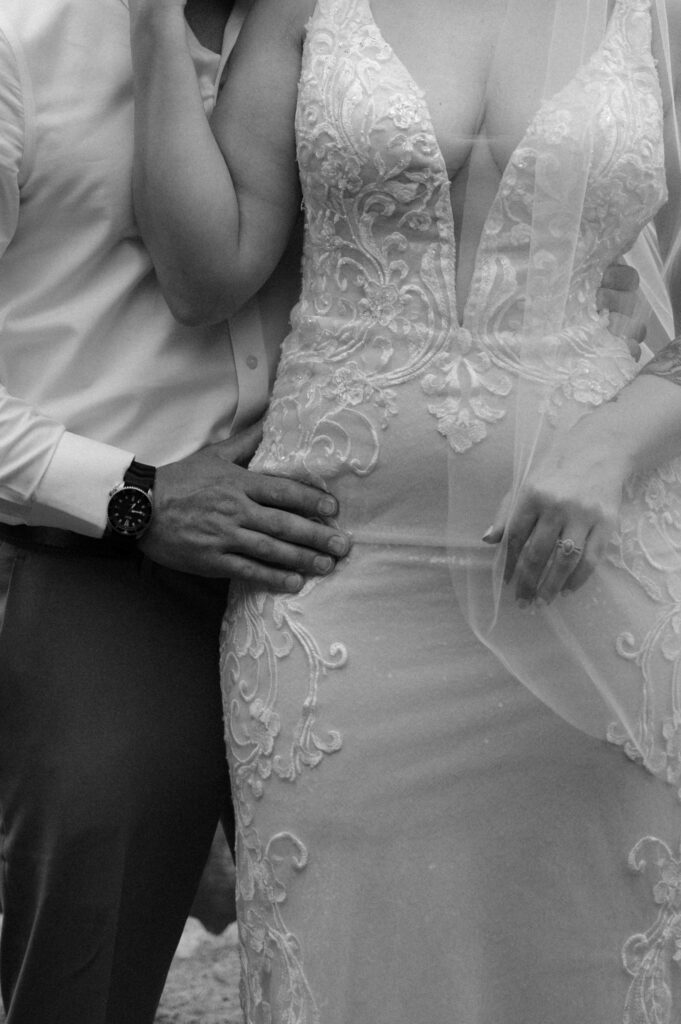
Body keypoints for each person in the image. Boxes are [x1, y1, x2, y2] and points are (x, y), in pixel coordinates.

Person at [128, 0, 681, 1020]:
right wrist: (153, 25)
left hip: (594, 563)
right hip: (338, 574)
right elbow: (207, 274)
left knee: (591, 951)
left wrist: (624, 437)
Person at [0, 1, 360, 1023]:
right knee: (84, 975)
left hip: (327, 559)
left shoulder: (347, 42)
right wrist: (134, 498)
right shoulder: (17, 45)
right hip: (97, 576)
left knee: (364, 953)